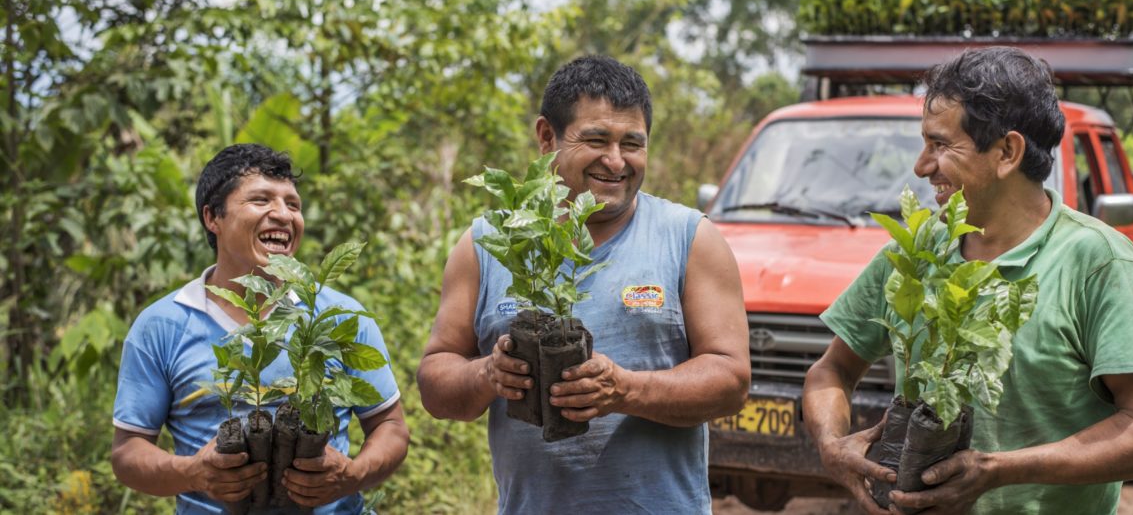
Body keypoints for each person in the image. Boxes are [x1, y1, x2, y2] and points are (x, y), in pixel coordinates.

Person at [804, 46, 1133, 515]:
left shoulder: (1098, 263)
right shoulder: (917, 252)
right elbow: (831, 371)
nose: (921, 166)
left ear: (1007, 152)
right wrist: (832, 444)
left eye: (941, 145)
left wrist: (998, 470)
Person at [417, 55, 750, 513]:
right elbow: (435, 384)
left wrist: (626, 390)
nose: (615, 161)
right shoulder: (488, 244)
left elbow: (732, 380)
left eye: (632, 144)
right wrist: (488, 373)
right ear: (546, 137)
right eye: (596, 140)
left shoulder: (690, 238)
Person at [110, 144, 409, 514]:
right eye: (261, 200)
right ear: (212, 217)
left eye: (293, 204)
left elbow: (390, 426)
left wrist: (351, 475)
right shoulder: (161, 325)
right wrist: (194, 473)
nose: (283, 215)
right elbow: (128, 451)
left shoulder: (338, 316)